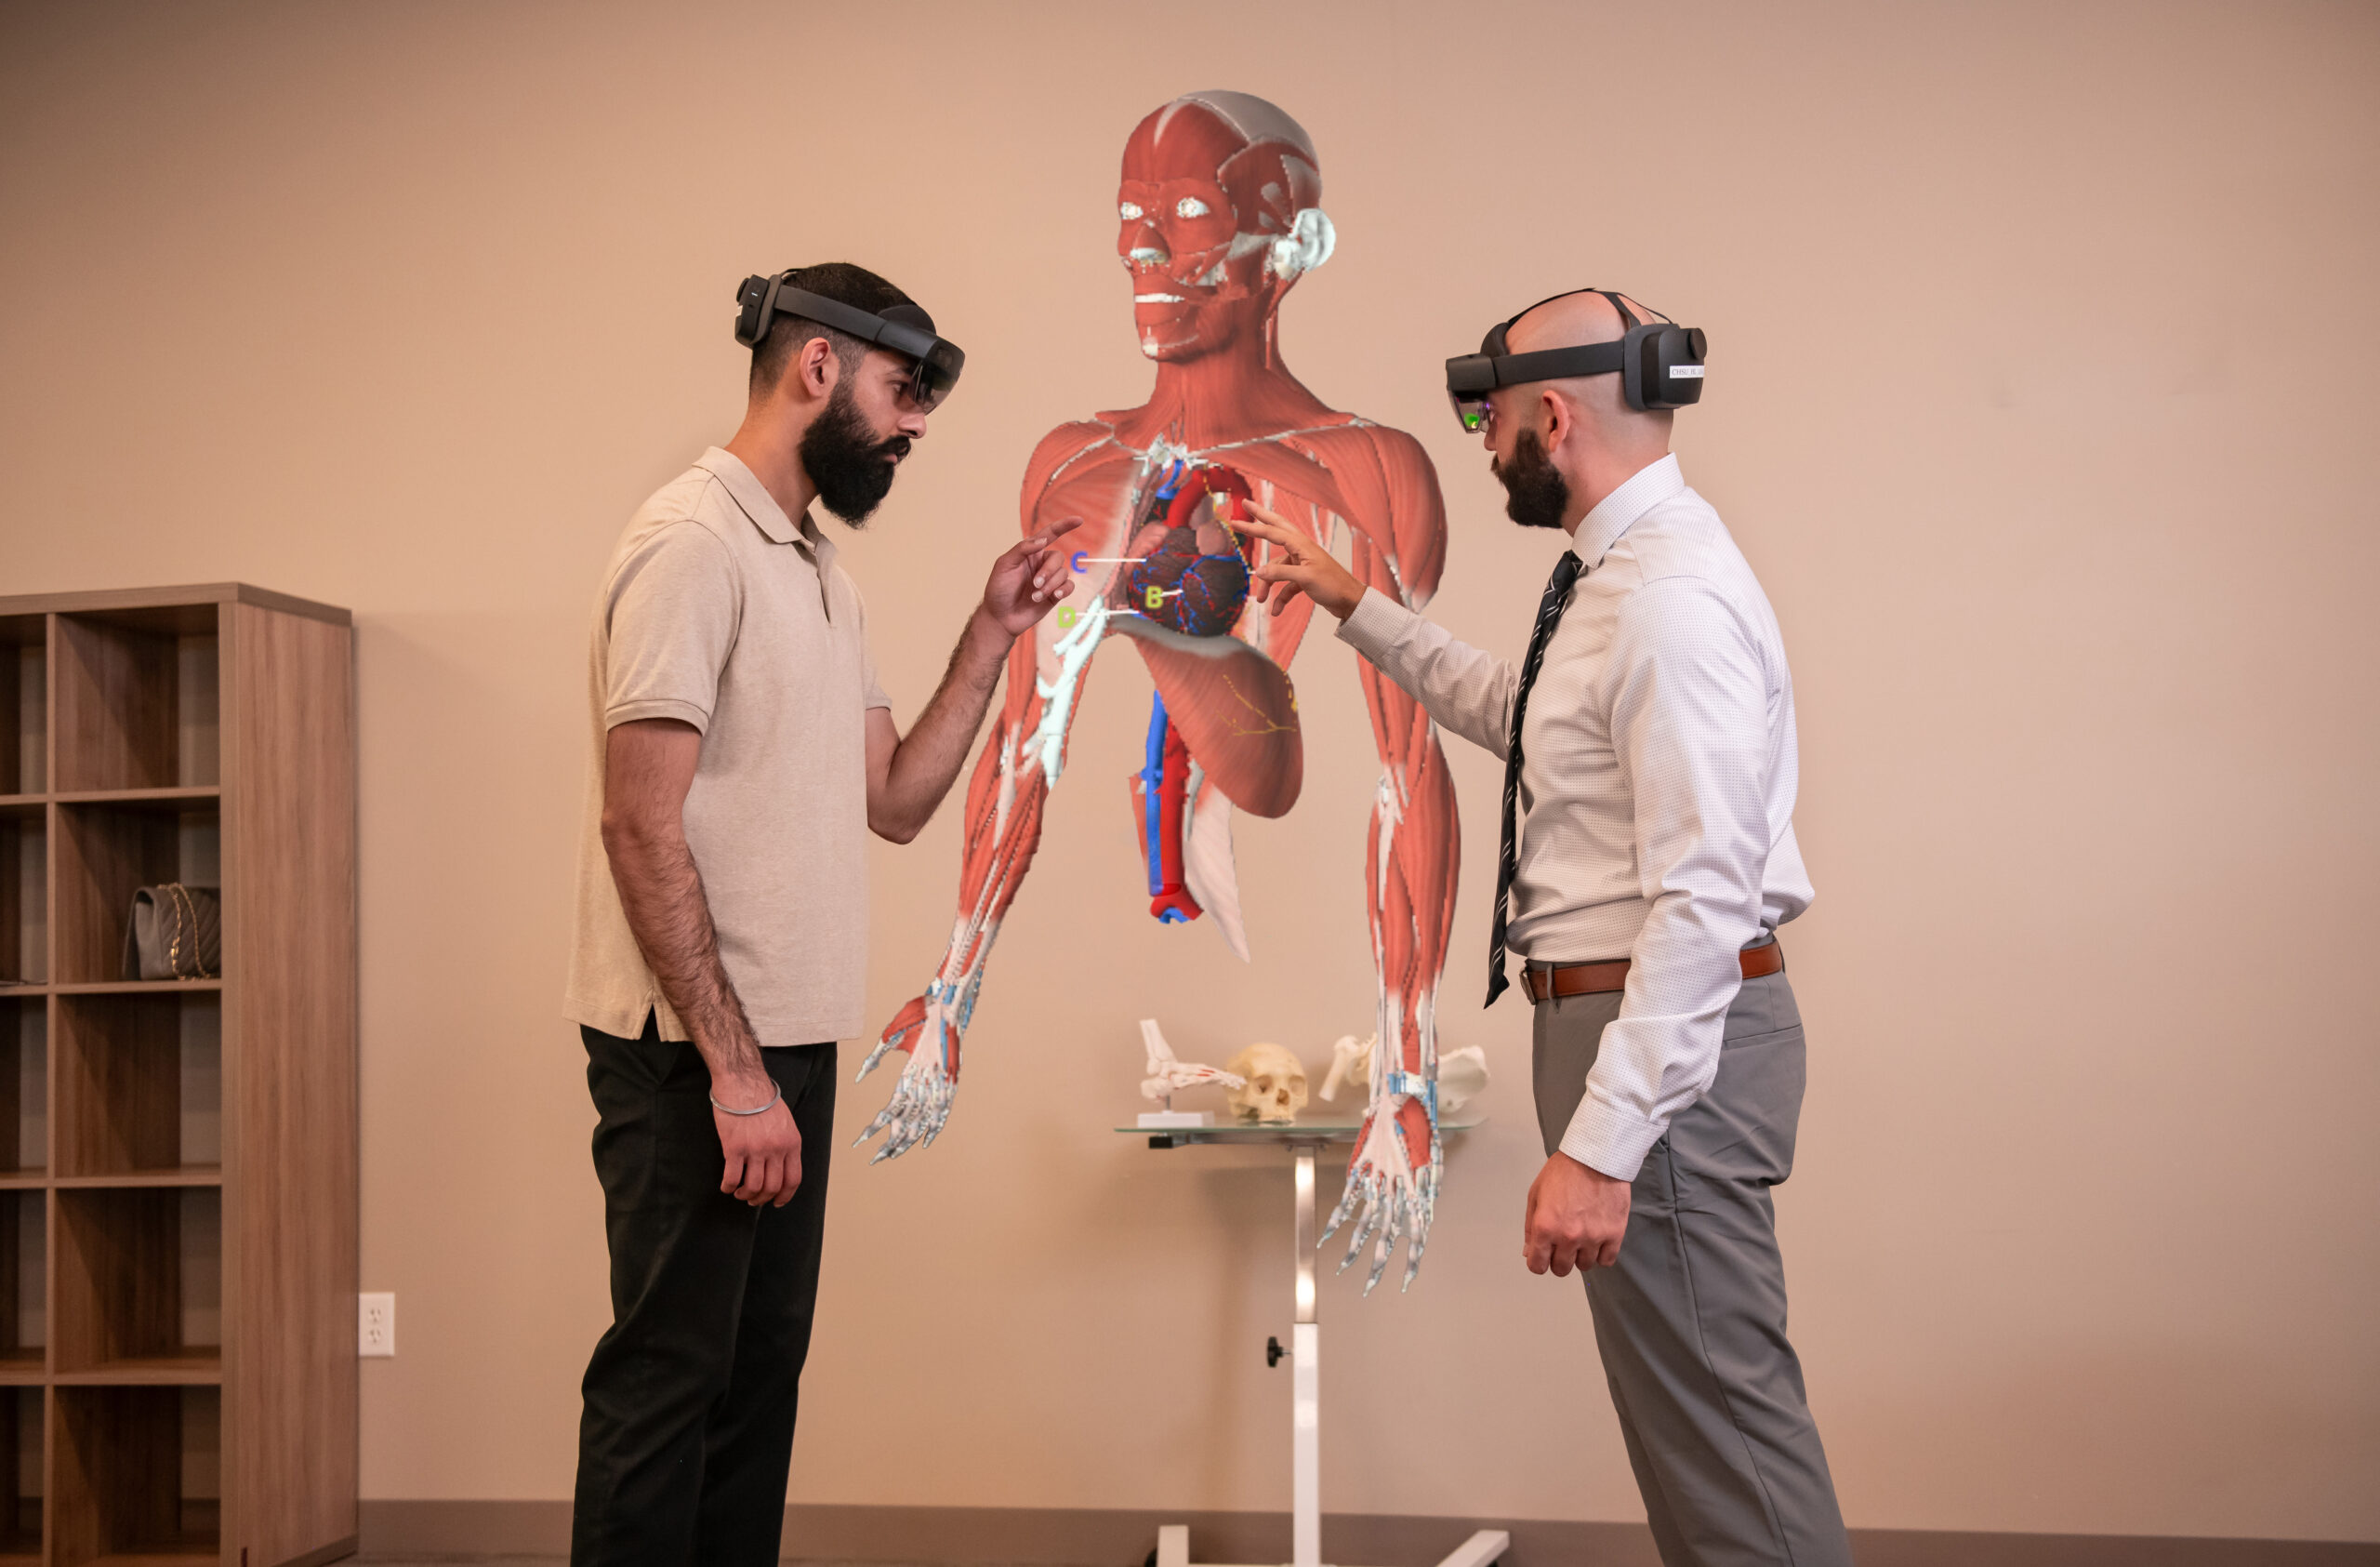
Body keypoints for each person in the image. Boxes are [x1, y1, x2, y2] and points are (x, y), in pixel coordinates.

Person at [1236, 287, 1851, 1567]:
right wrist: (1358, 604)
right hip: (1632, 1027)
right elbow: (1533, 717)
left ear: (1554, 415)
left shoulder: (1670, 604)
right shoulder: (1619, 581)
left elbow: (1703, 896)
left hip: (1662, 1040)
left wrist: (1605, 1146)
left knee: (1726, 1443)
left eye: (1492, 414)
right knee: (1696, 1440)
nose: (1483, 439)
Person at [562, 261, 1078, 1565]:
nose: (912, 425)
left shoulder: (816, 570)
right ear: (817, 368)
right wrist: (733, 1072)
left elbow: (896, 797)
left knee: (756, 1385)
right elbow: (638, 820)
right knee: (669, 1382)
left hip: (783, 1045)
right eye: (903, 392)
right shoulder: (690, 546)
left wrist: (991, 630)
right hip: (693, 1052)